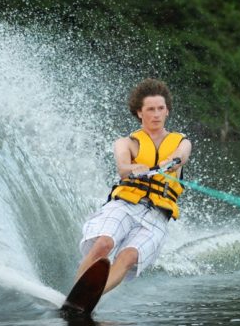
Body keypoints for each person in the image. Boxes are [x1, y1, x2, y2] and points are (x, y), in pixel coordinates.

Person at [74, 78, 192, 295]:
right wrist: (133, 168)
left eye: (160, 109)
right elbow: (122, 166)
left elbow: (182, 155)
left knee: (127, 256)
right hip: (125, 205)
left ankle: (89, 298)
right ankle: (74, 291)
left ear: (167, 111)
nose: (156, 114)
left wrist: (172, 162)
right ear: (140, 112)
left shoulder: (181, 141)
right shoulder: (126, 142)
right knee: (103, 244)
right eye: (150, 109)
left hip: (157, 216)